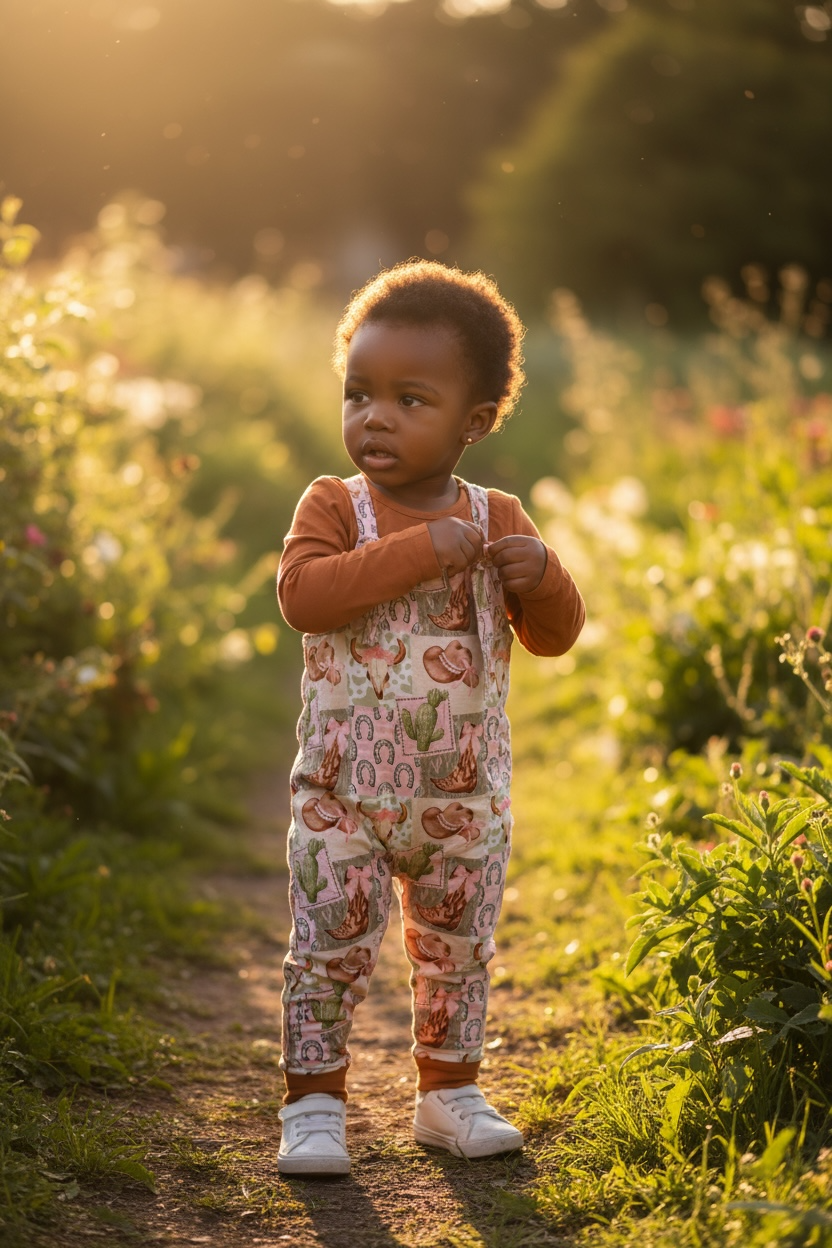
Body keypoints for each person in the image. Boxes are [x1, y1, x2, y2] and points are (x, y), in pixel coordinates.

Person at [275, 260, 585, 1175]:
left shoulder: (499, 517)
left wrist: (545, 576)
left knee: (457, 949)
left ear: (474, 422)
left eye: (411, 399)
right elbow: (305, 597)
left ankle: (448, 1094)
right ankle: (316, 1104)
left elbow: (555, 637)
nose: (375, 416)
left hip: (464, 803)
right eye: (359, 392)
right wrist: (418, 552)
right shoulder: (336, 506)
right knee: (327, 944)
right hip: (343, 796)